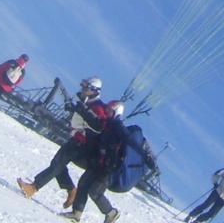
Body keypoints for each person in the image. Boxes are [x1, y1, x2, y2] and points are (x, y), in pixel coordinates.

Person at [18, 76, 109, 209]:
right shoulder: (86, 102)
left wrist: (82, 131)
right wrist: (73, 109)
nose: (82, 89)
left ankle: (34, 187)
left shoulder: (97, 107)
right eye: (82, 86)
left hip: (82, 143)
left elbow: (97, 126)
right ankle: (71, 190)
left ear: (94, 90)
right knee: (57, 163)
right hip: (76, 139)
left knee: (57, 164)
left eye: (86, 88)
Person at [59, 100, 148, 223]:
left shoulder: (118, 126)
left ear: (116, 112)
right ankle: (76, 213)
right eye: (106, 109)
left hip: (108, 167)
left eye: (109, 110)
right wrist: (77, 109)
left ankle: (111, 213)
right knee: (83, 184)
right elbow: (91, 120)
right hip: (98, 162)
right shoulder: (106, 123)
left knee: (95, 192)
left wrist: (144, 154)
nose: (106, 112)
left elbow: (129, 140)